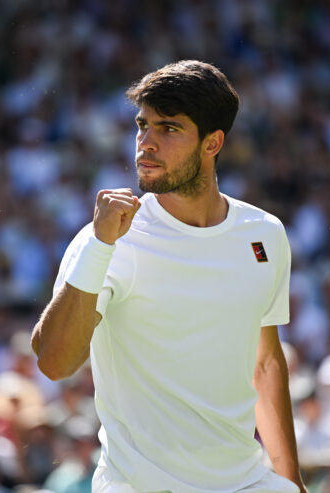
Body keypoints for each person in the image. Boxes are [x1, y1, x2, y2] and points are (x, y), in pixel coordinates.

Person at [31, 60, 307, 492]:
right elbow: (54, 362)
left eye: (169, 129)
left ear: (212, 143)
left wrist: (291, 480)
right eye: (142, 126)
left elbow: (266, 362)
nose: (146, 143)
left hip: (247, 482)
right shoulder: (106, 238)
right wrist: (100, 245)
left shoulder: (265, 234)